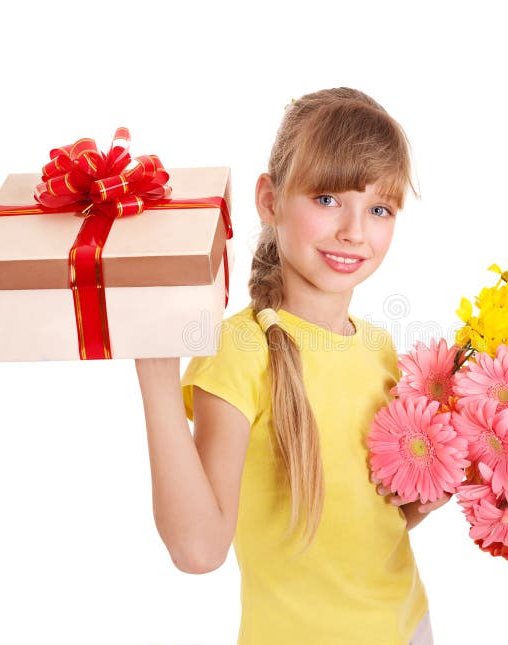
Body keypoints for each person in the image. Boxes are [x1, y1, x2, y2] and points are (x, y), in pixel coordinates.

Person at [135, 87, 448, 645]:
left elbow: (372, 524)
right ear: (269, 199)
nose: (354, 230)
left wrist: (424, 497)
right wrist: (155, 371)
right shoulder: (240, 349)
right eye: (328, 198)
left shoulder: (379, 349)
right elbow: (199, 549)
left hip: (407, 628)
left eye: (379, 209)